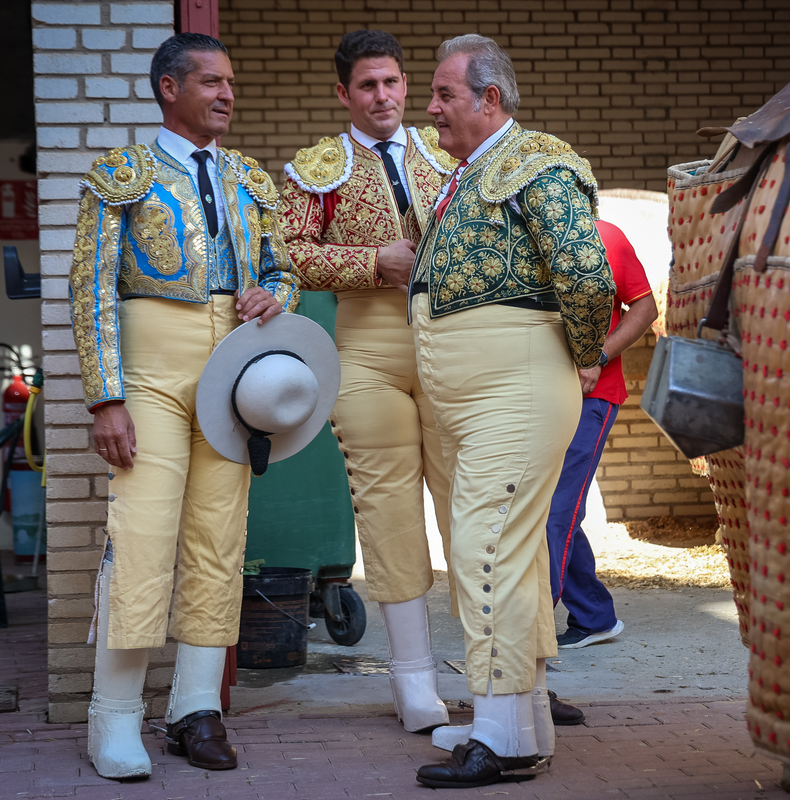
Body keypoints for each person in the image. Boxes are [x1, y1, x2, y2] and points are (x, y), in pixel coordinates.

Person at [68, 32, 299, 780]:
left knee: (216, 538)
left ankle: (196, 710)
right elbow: (90, 288)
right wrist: (106, 398)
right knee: (142, 536)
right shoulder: (121, 173)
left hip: (234, 372)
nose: (228, 93)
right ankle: (113, 717)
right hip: (153, 373)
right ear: (170, 88)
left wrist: (276, 294)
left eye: (231, 81)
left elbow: (282, 268)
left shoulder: (248, 177)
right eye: (211, 81)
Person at [410, 34, 616, 789]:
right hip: (478, 398)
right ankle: (521, 724)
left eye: (445, 95)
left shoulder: (540, 161)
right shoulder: (472, 172)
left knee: (483, 547)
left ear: (490, 99)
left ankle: (495, 736)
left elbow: (587, 275)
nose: (430, 109)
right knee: (515, 556)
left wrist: (586, 350)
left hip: (516, 390)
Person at [275, 29, 457, 733]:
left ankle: (502, 670)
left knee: (468, 503)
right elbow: (287, 254)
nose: (383, 96)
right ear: (343, 93)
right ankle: (413, 679)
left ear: (404, 85)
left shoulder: (447, 149)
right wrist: (369, 261)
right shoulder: (318, 167)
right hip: (369, 342)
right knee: (386, 508)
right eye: (367, 86)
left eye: (392, 83)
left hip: (450, 338)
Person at [548, 220, 657, 652]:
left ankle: (531, 627)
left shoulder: (606, 236)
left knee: (555, 509)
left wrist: (599, 355)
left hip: (592, 395)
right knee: (552, 509)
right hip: (533, 395)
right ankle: (594, 616)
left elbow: (644, 308)